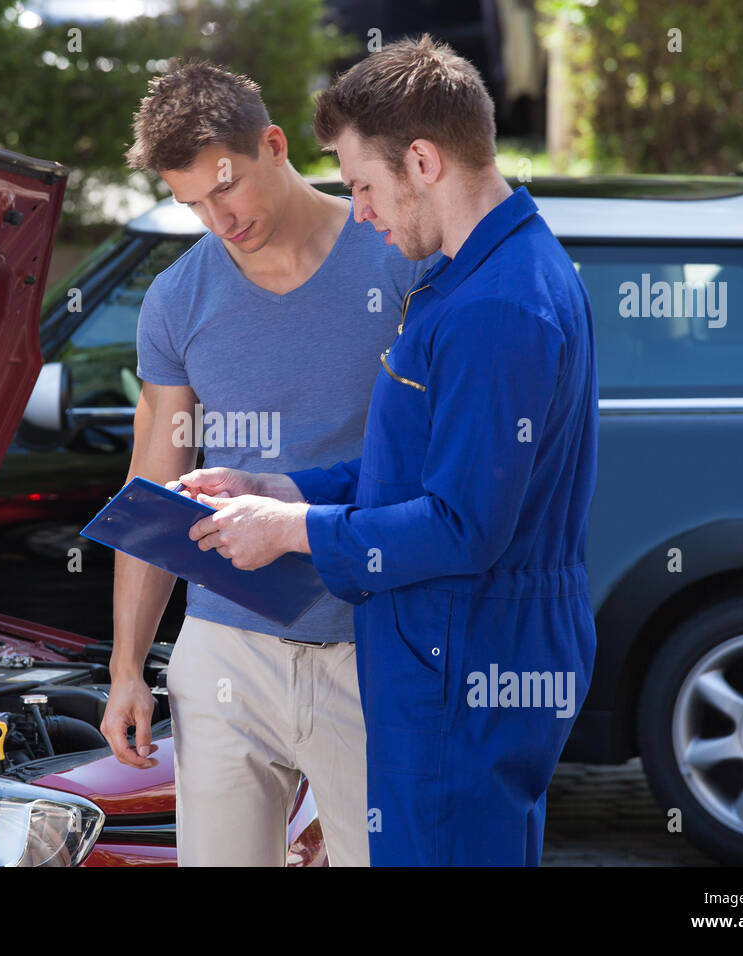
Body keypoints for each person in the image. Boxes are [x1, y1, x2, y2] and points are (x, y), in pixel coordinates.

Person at [176, 36, 599, 866]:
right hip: (457, 657)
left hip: (463, 665)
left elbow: (461, 527)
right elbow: (415, 470)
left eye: (365, 185)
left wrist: (291, 533)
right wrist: (285, 487)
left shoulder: (496, 308)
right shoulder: (471, 276)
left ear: (424, 161)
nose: (360, 212)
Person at [98, 60, 438, 866]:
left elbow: (440, 464)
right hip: (226, 649)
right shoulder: (177, 300)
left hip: (371, 643)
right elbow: (151, 492)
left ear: (274, 145)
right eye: (192, 205)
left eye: (227, 189)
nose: (218, 219)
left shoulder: (397, 254)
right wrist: (125, 671)